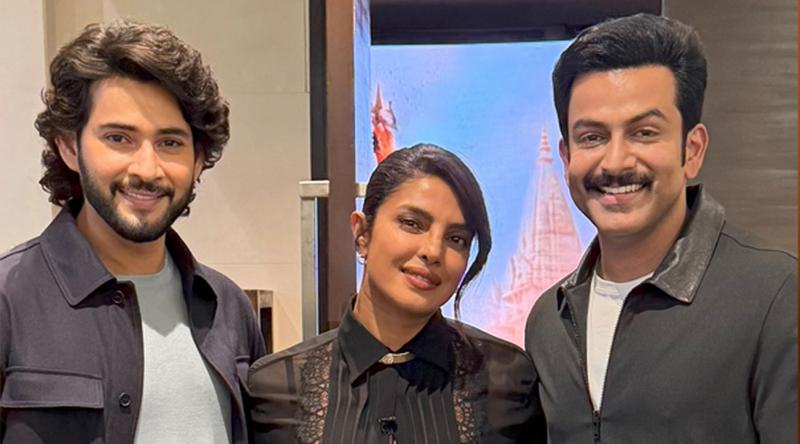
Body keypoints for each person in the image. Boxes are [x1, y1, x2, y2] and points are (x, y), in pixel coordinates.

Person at [525, 13, 797, 443]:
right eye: (592, 137)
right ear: (566, 157)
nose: (615, 162)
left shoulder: (777, 296)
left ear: (692, 150)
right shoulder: (549, 321)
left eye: (644, 133)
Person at [0, 20, 266, 443]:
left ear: (199, 160)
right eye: (119, 138)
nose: (147, 169)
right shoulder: (10, 299)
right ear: (69, 146)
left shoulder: (229, 309)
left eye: (170, 143)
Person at [249, 144, 544, 443]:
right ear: (362, 234)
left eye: (456, 239)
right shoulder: (275, 389)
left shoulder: (509, 380)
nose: (433, 251)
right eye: (412, 224)